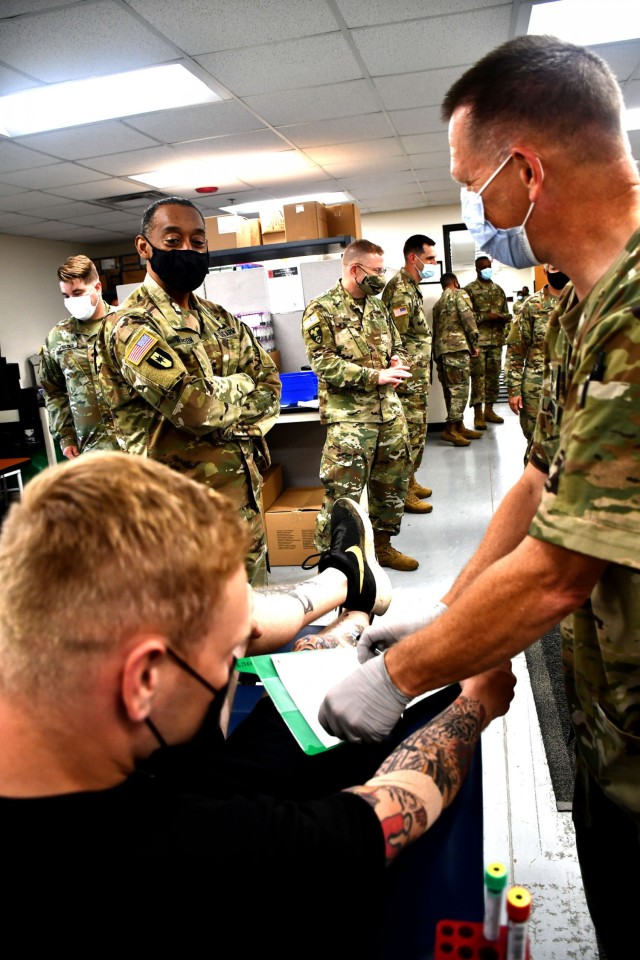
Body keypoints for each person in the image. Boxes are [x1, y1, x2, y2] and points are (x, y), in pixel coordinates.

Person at [318, 34, 640, 960]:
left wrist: (399, 676)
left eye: (471, 182)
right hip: (613, 725)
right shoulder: (592, 303)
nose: (474, 209)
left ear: (525, 170)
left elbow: (559, 573)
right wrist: (447, 609)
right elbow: (544, 476)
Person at [0, 451, 516, 955]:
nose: (241, 654)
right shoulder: (190, 852)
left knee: (285, 720)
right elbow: (375, 820)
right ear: (141, 682)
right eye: (233, 653)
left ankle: (349, 604)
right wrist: (474, 699)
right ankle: (351, 603)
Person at [95, 197, 281, 586]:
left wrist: (222, 395)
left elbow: (269, 384)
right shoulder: (132, 327)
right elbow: (195, 410)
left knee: (253, 623)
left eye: (197, 242)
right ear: (145, 247)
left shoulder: (219, 317)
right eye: (173, 240)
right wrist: (238, 387)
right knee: (199, 636)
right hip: (180, 522)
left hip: (241, 507)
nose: (187, 250)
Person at [301, 238, 419, 572]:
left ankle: (383, 547)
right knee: (342, 493)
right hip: (351, 421)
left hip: (389, 414)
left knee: (391, 484)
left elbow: (400, 344)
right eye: (378, 271)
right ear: (356, 270)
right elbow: (324, 364)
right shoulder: (321, 310)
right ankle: (334, 560)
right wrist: (375, 376)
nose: (383, 277)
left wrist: (398, 359)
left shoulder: (378, 306)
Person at [39, 254, 119, 459]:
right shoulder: (58, 337)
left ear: (98, 288)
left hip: (137, 446)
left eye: (78, 293)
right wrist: (65, 436)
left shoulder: (127, 326)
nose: (72, 301)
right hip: (91, 450)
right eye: (66, 296)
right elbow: (53, 391)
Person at [381, 234, 438, 515]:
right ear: (412, 258)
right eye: (429, 259)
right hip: (407, 381)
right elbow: (396, 340)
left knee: (417, 434)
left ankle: (410, 481)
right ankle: (401, 493)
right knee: (409, 436)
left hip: (416, 376)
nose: (434, 264)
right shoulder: (401, 290)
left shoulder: (412, 286)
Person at [505, 265, 569, 462]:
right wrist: (513, 389)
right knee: (537, 445)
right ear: (545, 271)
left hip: (572, 384)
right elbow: (515, 351)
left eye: (561, 264)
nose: (559, 271)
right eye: (553, 267)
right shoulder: (531, 306)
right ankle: (535, 491)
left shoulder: (582, 299)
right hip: (537, 388)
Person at [432, 272, 481, 447]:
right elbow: (468, 318)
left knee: (450, 390)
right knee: (460, 389)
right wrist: (475, 343)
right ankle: (451, 429)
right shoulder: (459, 294)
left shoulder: (438, 305)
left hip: (442, 351)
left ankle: (458, 426)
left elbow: (436, 330)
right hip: (457, 348)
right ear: (455, 282)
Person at [464, 255, 511, 429]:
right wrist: (485, 316)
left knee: (493, 377)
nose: (487, 269)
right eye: (484, 267)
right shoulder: (469, 290)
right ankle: (478, 414)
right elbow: (466, 316)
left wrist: (501, 317)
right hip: (478, 343)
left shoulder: (498, 290)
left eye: (489, 266)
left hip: (496, 341)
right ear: (477, 269)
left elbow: (507, 314)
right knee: (478, 378)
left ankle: (489, 410)